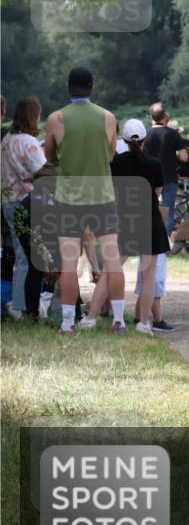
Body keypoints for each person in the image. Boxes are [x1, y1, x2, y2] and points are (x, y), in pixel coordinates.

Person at [43, 68, 126, 334]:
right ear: (92, 86)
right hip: (102, 196)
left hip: (69, 198)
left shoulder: (56, 118)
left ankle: (68, 323)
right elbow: (111, 155)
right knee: (112, 259)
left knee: (68, 263)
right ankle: (119, 320)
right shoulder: (108, 117)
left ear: (69, 87)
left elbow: (50, 156)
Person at [111, 119, 170, 335]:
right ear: (145, 139)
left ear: (124, 140)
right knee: (149, 275)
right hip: (150, 221)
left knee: (115, 266)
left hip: (126, 219)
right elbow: (157, 191)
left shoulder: (116, 163)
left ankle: (110, 314)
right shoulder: (154, 164)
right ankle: (144, 322)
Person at [1, 97, 46, 318]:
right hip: (26, 202)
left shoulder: (7, 140)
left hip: (8, 200)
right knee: (32, 258)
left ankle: (18, 304)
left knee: (20, 256)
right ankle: (24, 306)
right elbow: (43, 171)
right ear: (32, 115)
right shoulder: (28, 142)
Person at [143, 103, 189, 236]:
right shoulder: (172, 134)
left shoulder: (145, 133)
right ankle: (164, 245)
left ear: (151, 116)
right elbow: (184, 157)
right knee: (168, 212)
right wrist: (173, 154)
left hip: (149, 178)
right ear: (165, 116)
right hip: (169, 177)